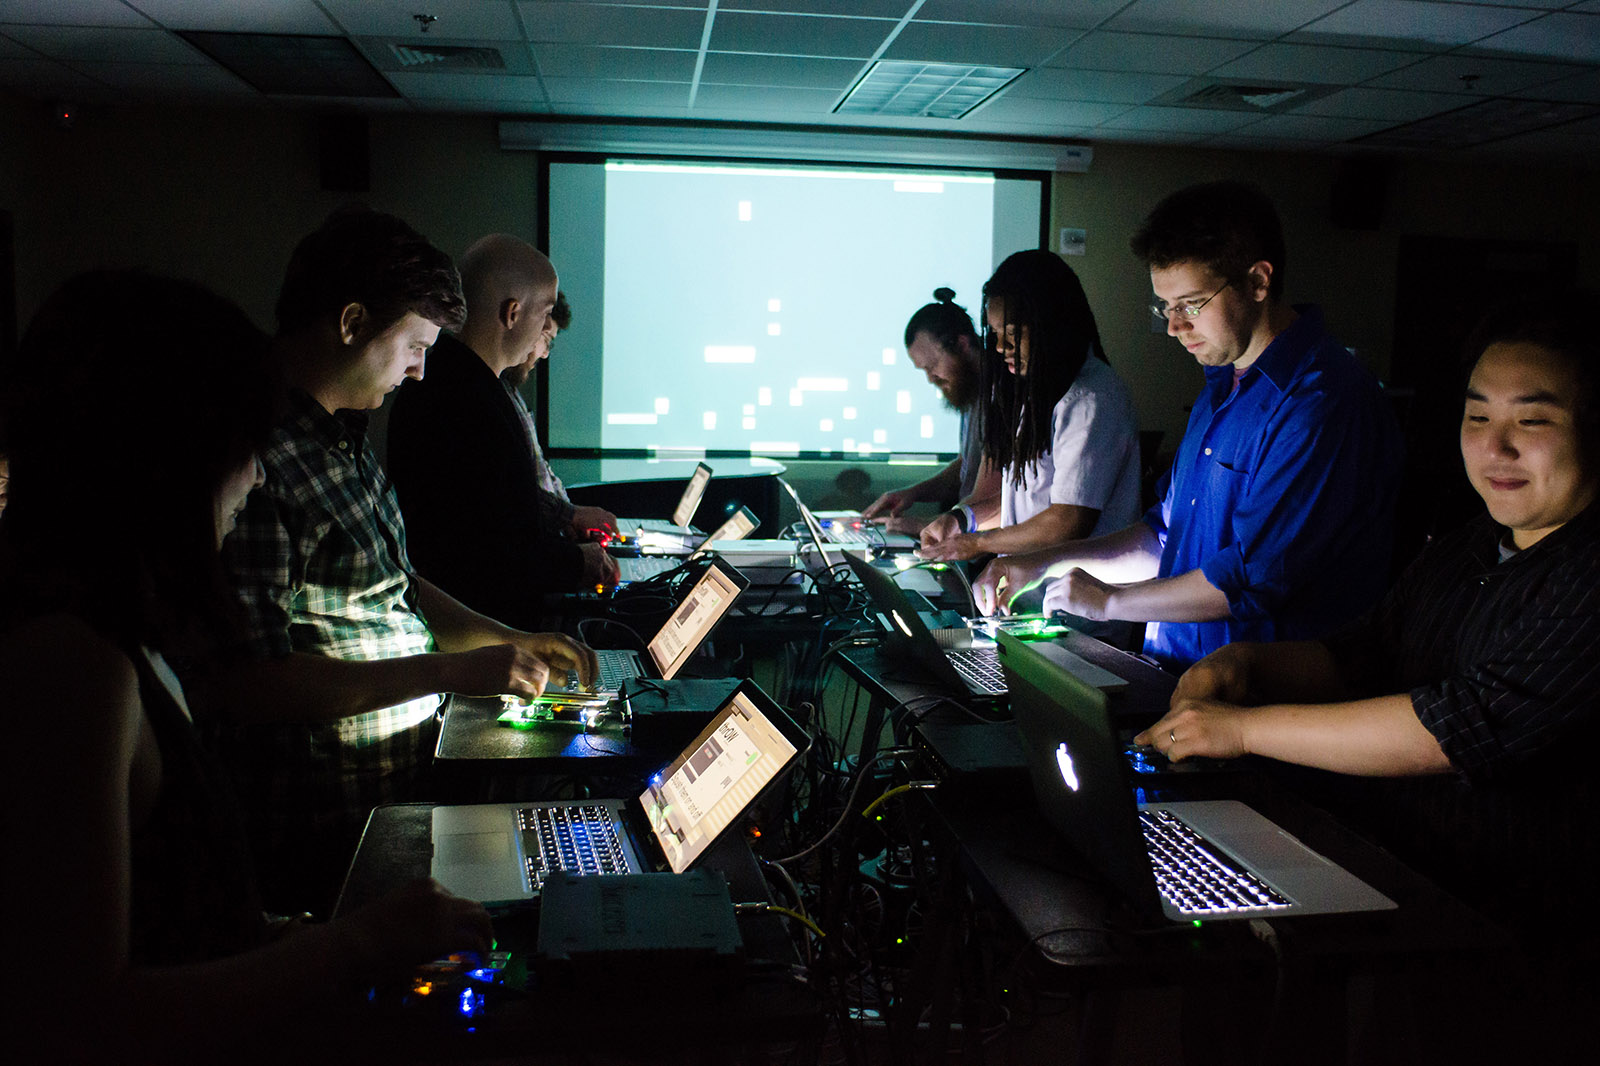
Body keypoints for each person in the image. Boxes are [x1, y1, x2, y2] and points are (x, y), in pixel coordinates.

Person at [0, 272, 493, 1062]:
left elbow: (185, 925)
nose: (258, 477)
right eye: (245, 448)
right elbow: (78, 1018)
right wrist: (356, 944)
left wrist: (314, 941)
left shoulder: (126, 641)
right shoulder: (72, 667)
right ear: (168, 455)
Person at [1136, 294, 1599, 1055]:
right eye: (1478, 418)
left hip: (1536, 942)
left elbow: (1458, 724)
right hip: (1420, 908)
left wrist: (1243, 728)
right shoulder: (1467, 547)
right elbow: (1361, 653)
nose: (1497, 447)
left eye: (1534, 421)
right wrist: (1244, 663)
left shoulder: (1586, 570)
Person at [218, 210, 596, 914]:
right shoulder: (260, 461)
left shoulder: (345, 438)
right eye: (415, 345)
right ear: (352, 322)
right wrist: (452, 669)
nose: (421, 370)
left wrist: (502, 638)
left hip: (390, 794)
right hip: (321, 823)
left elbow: (397, 585)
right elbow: (253, 684)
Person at [974, 182, 1402, 670]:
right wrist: (1046, 562)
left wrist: (1109, 602)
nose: (1175, 326)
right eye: (1165, 307)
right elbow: (1163, 538)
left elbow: (1248, 580)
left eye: (1190, 304)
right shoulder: (1222, 386)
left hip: (1260, 703)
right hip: (1179, 678)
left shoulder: (1322, 402)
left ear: (1259, 281)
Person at [388, 237, 618, 626]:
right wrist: (577, 560)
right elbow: (499, 549)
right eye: (544, 315)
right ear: (512, 313)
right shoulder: (470, 400)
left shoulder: (454, 380)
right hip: (484, 639)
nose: (544, 333)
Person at [920, 252, 1142, 632]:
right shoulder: (1036, 391)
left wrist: (977, 543)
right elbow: (1024, 496)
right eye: (995, 335)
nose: (1001, 348)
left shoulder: (1090, 397)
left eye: (1014, 334)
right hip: (1035, 610)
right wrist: (961, 519)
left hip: (1083, 620)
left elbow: (1067, 519)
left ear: (1051, 325)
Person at [861, 288, 999, 535]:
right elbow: (967, 468)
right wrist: (913, 493)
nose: (931, 378)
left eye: (932, 366)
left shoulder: (1002, 396)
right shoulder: (970, 392)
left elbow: (997, 497)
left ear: (962, 344)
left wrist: (929, 525)